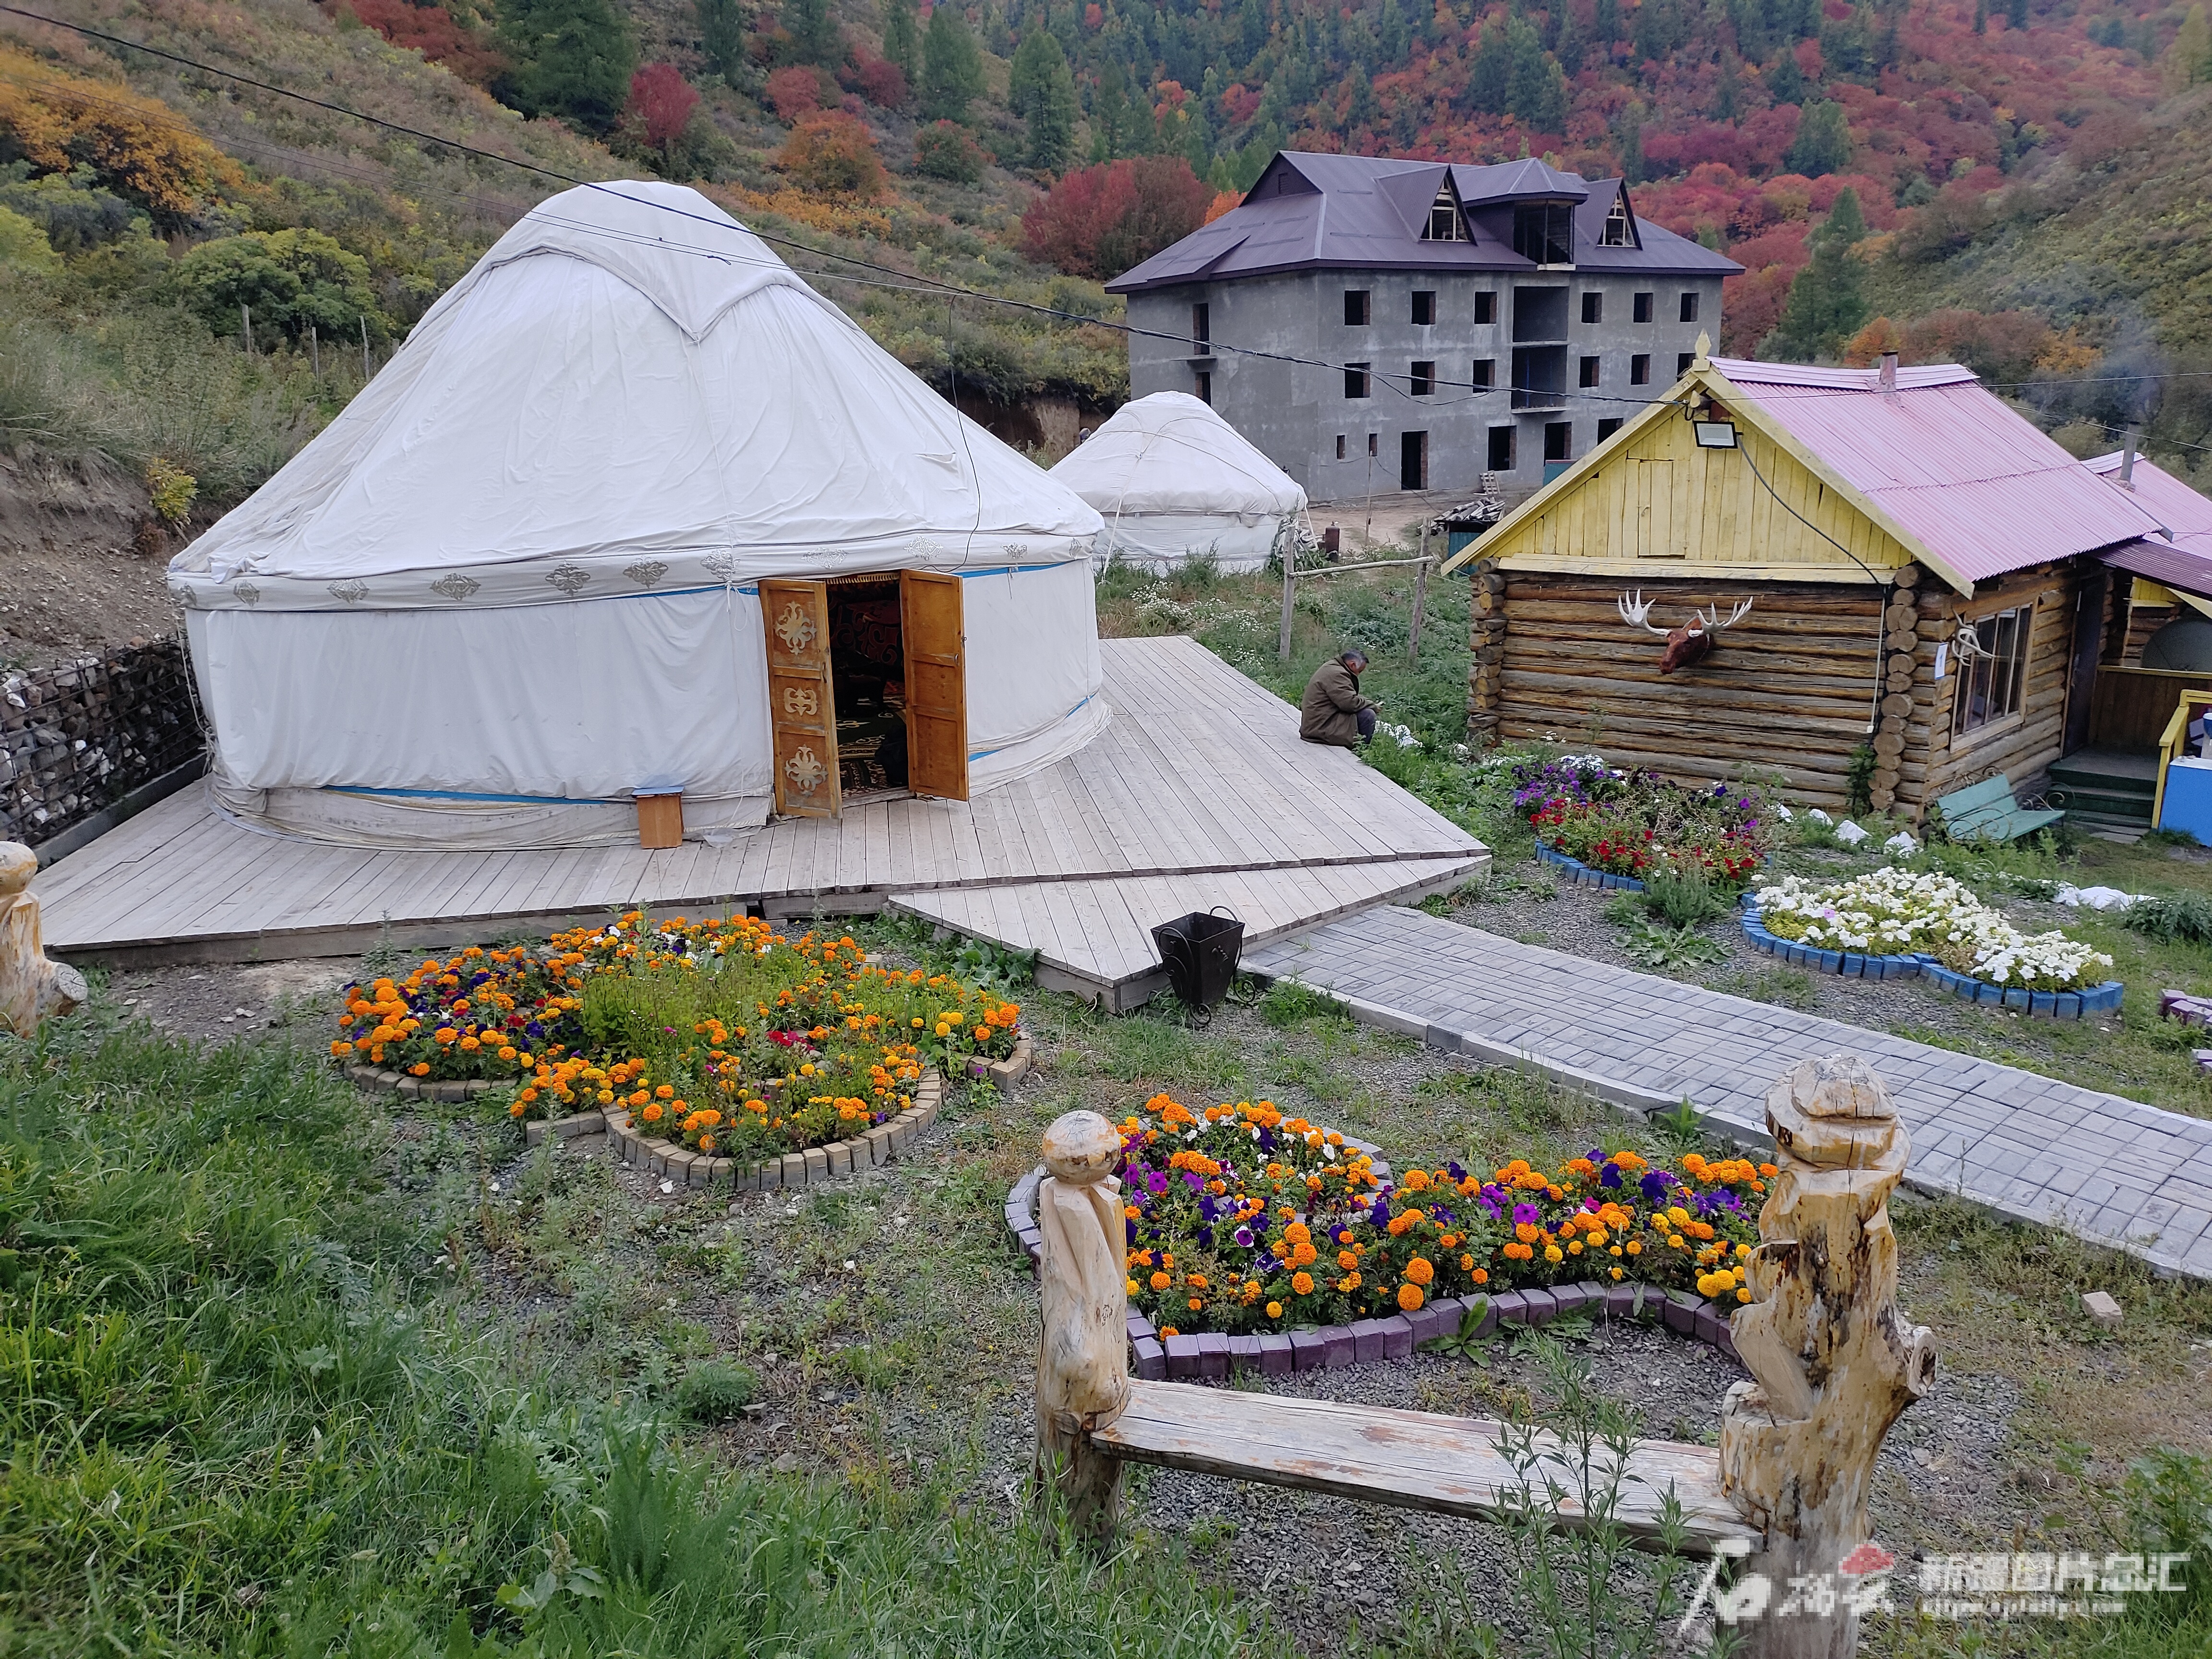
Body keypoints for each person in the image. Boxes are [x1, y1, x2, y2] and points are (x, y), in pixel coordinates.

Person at [1299, 649, 1379, 747]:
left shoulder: (1332, 666)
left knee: (1363, 710)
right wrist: (1373, 705)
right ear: (1353, 665)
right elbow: (1350, 704)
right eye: (1360, 671)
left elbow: (1346, 697)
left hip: (1316, 724)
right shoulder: (1338, 674)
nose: (1358, 675)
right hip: (1319, 730)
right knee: (1368, 715)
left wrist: (1364, 701)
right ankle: (1361, 751)